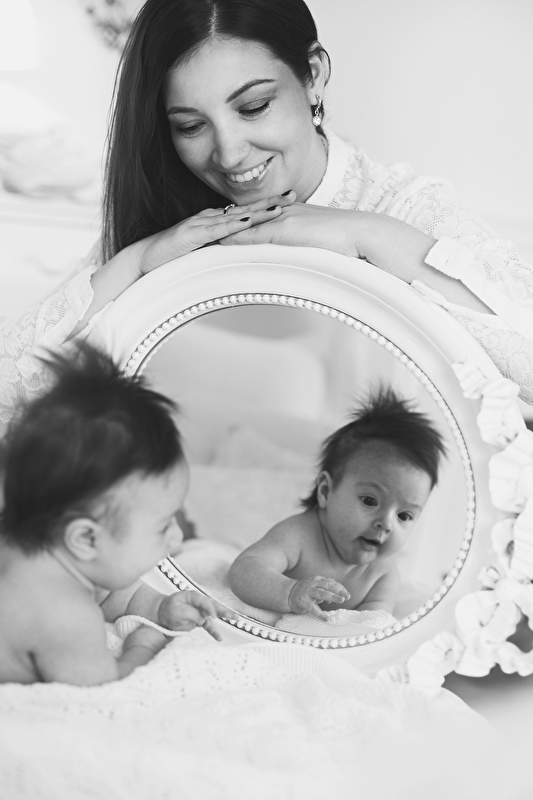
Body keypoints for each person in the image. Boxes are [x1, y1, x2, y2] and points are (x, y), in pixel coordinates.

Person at [1, 0, 532, 424]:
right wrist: (138, 262)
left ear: (313, 75)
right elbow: (10, 394)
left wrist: (365, 235)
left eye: (253, 107)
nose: (229, 154)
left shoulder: (403, 206)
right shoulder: (172, 223)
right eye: (190, 126)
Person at [0, 343, 232, 685]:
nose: (177, 537)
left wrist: (160, 608)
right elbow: (103, 690)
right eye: (163, 525)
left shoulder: (39, 554)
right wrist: (144, 644)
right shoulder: (66, 617)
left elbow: (111, 594)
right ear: (85, 538)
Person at [228, 389, 446, 618]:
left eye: (404, 515)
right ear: (325, 491)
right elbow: (245, 570)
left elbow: (371, 627)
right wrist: (290, 592)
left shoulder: (382, 574)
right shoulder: (299, 535)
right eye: (370, 501)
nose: (386, 523)